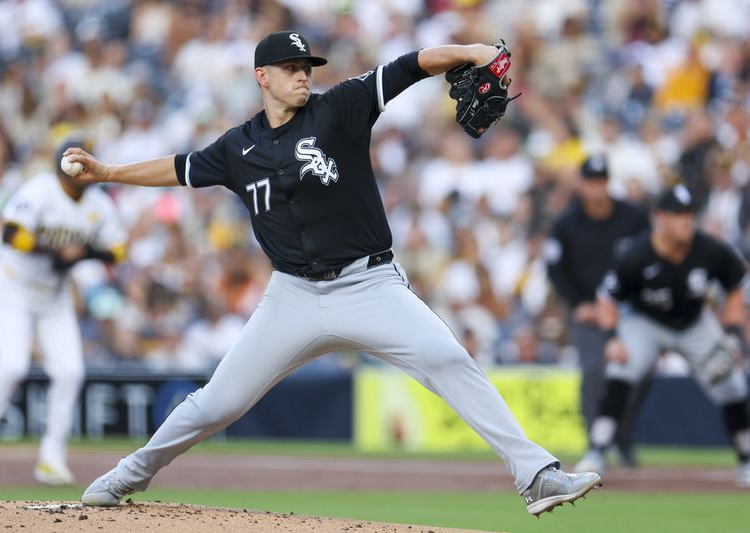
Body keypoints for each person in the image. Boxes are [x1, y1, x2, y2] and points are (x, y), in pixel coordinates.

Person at [69, 31, 600, 516]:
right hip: (292, 296)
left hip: (369, 285)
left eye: (307, 66)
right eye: (290, 66)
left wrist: (469, 54)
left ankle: (536, 475)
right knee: (218, 402)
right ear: (262, 77)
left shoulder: (340, 108)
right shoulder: (238, 147)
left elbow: (409, 65)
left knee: (446, 357)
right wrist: (109, 172)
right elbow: (180, 168)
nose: (303, 74)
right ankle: (127, 475)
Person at [0, 135, 127, 486]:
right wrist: (57, 253)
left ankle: (51, 457)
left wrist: (85, 252)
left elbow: (118, 250)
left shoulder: (98, 203)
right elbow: (11, 233)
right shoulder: (42, 189)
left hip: (53, 295)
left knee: (71, 371)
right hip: (12, 287)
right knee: (12, 364)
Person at [574, 184, 750, 488]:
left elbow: (735, 285)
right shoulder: (636, 253)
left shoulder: (709, 248)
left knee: (731, 383)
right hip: (646, 321)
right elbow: (607, 299)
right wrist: (612, 338)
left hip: (694, 321)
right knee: (622, 366)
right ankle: (598, 450)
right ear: (660, 217)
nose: (686, 221)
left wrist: (733, 333)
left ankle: (746, 459)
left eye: (689, 214)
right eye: (678, 214)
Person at [545, 155, 650, 465]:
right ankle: (597, 446)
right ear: (582, 184)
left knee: (638, 372)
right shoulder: (566, 224)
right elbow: (555, 270)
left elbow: (649, 258)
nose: (597, 188)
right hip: (588, 311)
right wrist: (579, 303)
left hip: (628, 310)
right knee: (593, 371)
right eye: (591, 182)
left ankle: (622, 437)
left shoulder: (633, 218)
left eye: (601, 181)